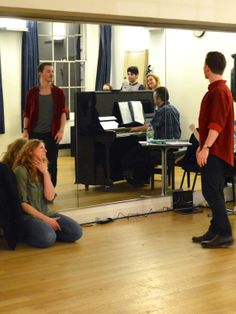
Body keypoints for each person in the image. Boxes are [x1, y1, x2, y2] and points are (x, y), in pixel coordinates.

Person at [192, 51, 234, 248]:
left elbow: (216, 125)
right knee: (213, 190)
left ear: (207, 67)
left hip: (215, 151)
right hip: (212, 149)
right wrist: (202, 146)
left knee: (211, 192)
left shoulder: (219, 92)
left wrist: (206, 147)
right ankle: (215, 229)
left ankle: (224, 233)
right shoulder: (217, 91)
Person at [13, 139, 83, 248]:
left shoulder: (43, 170)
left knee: (76, 232)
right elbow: (23, 204)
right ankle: (29, 234)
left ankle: (47, 231)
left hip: (47, 212)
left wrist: (45, 173)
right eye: (41, 148)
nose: (45, 150)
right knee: (48, 239)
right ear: (30, 151)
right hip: (29, 217)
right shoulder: (20, 170)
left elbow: (50, 197)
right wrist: (46, 220)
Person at [23, 62, 67, 187]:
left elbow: (63, 113)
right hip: (35, 135)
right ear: (40, 73)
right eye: (48, 71)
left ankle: (51, 191)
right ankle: (36, 191)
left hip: (52, 134)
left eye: (52, 71)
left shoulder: (59, 92)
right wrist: (25, 129)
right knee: (35, 163)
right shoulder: (32, 92)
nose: (51, 74)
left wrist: (61, 130)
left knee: (52, 164)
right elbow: (26, 113)